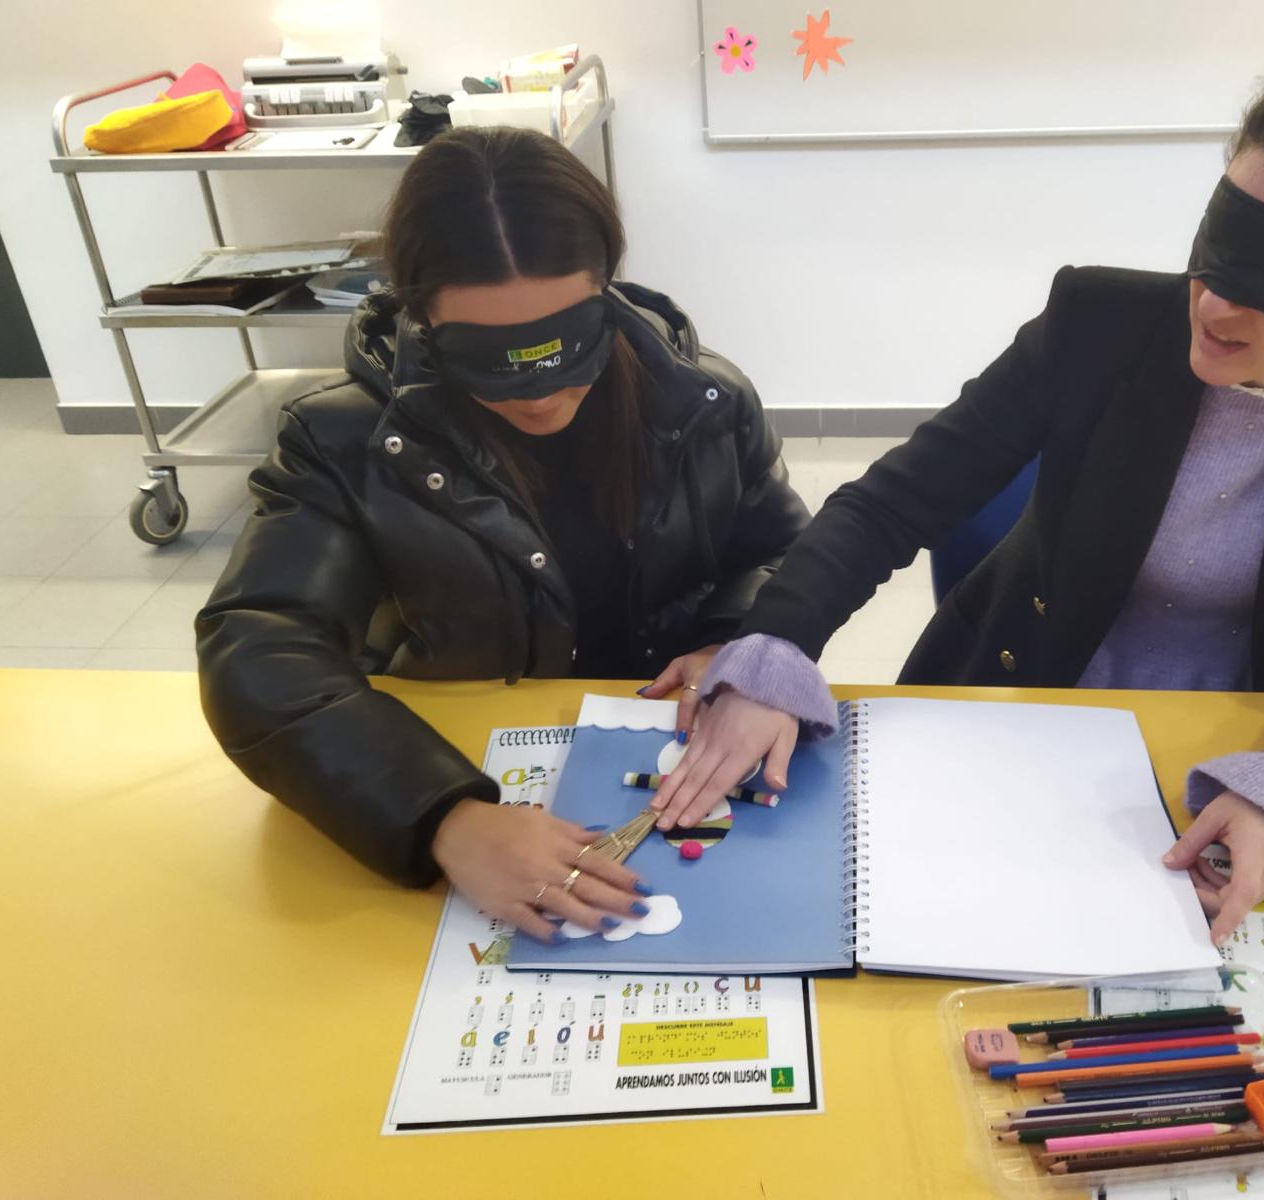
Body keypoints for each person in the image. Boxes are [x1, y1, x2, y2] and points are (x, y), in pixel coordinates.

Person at [649, 42, 1264, 943]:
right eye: (1220, 249)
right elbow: (891, 502)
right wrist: (774, 649)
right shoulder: (1099, 324)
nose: (1216, 306)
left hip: (1237, 748)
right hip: (1019, 707)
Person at [196, 128, 809, 941]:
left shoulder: (705, 402)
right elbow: (256, 646)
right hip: (459, 758)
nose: (540, 393)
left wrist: (734, 643)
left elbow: (781, 554)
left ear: (605, 288)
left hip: (668, 746)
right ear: (421, 317)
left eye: (565, 344)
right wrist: (442, 816)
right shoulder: (345, 441)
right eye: (493, 357)